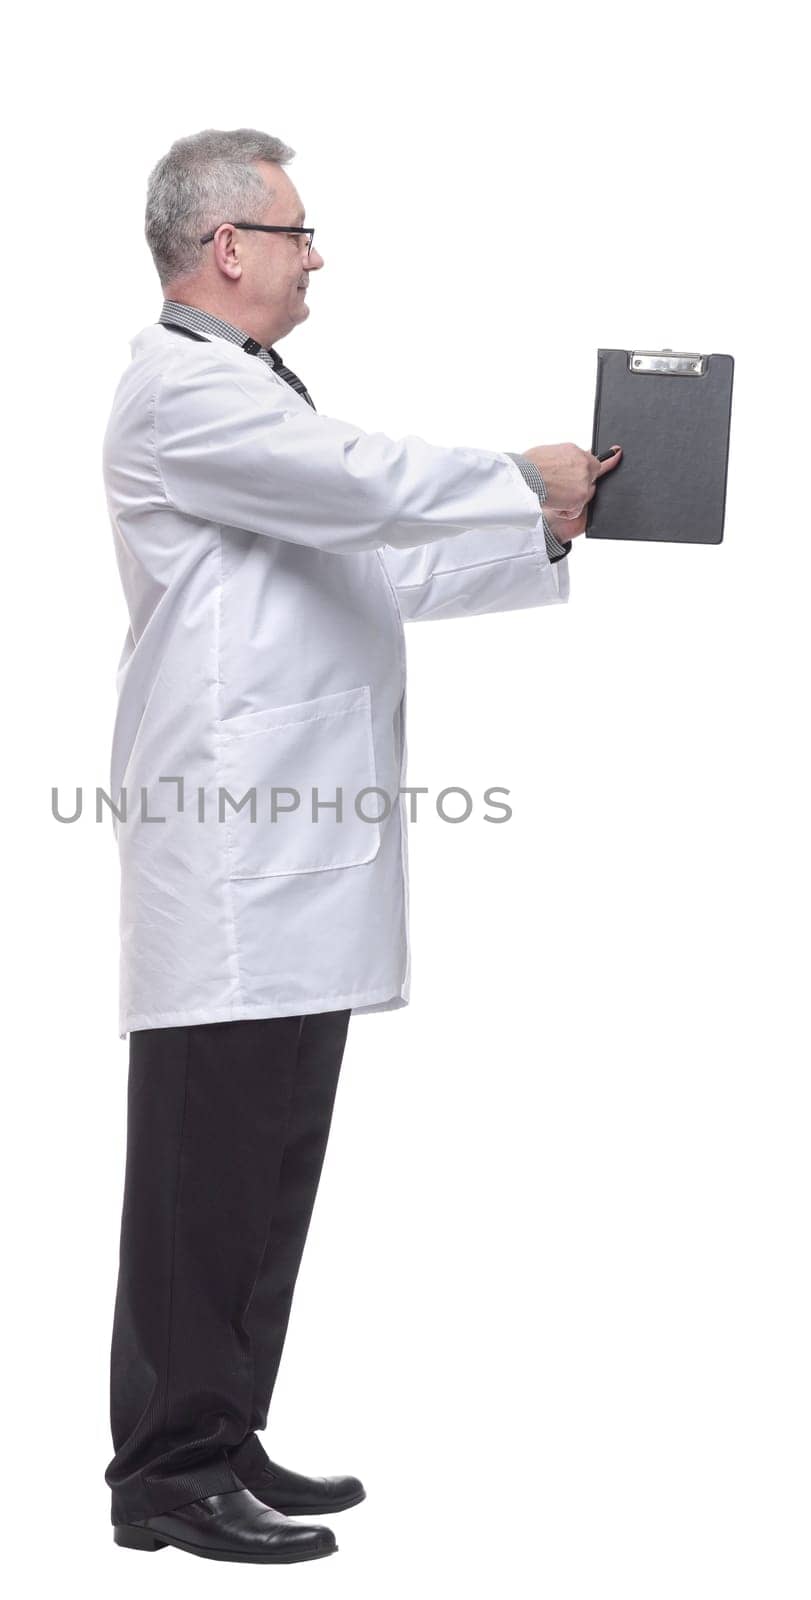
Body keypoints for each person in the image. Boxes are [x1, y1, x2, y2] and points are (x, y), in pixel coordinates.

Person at [101, 128, 622, 1564]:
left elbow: (373, 559)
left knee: (265, 1166)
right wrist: (517, 469)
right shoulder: (182, 396)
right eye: (299, 231)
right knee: (204, 1172)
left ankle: (223, 1435)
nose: (314, 253)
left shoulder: (256, 402)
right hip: (229, 863)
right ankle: (164, 1472)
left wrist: (550, 530)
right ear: (228, 249)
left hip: (298, 854)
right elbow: (362, 483)